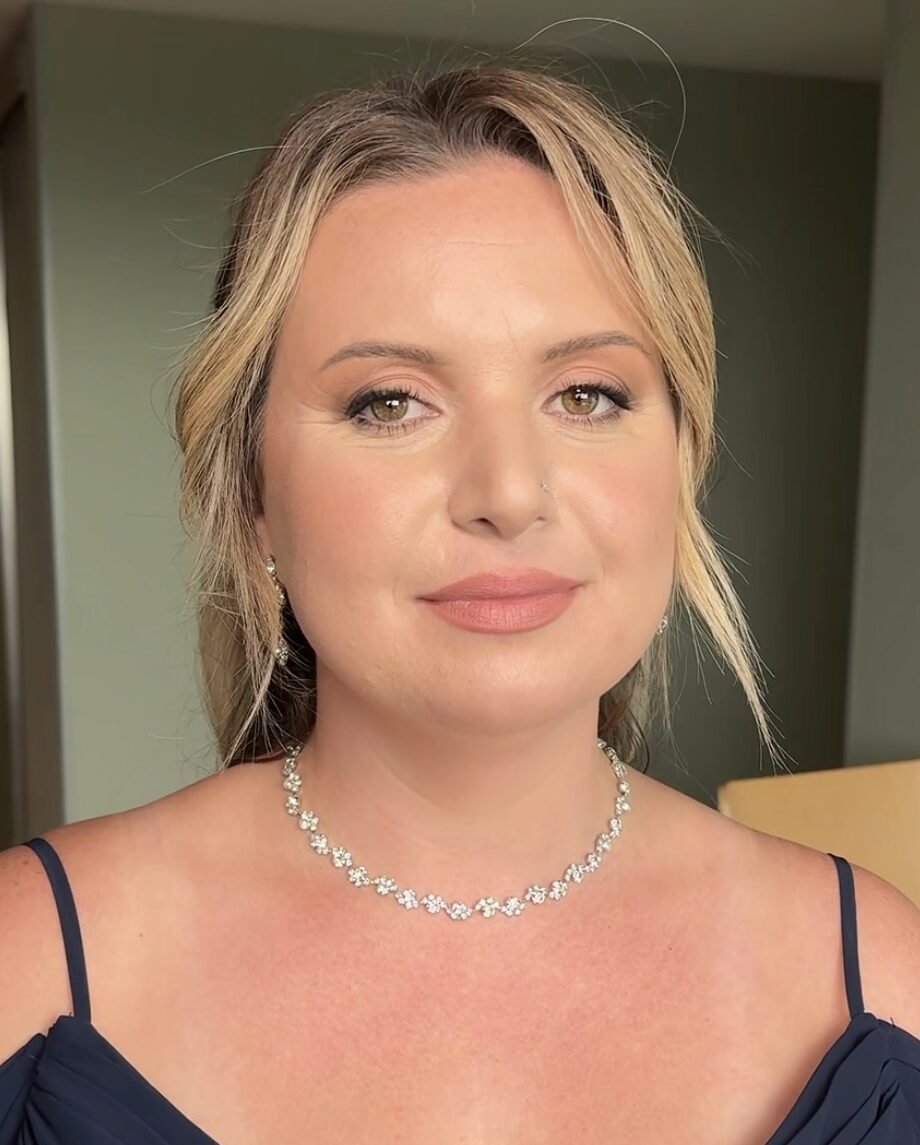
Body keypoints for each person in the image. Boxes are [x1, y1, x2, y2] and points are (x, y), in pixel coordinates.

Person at [1, 59, 918, 1145]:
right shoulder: (31, 956)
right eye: (390, 402)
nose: (508, 492)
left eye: (587, 393)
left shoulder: (876, 968)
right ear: (251, 496)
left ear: (680, 458)